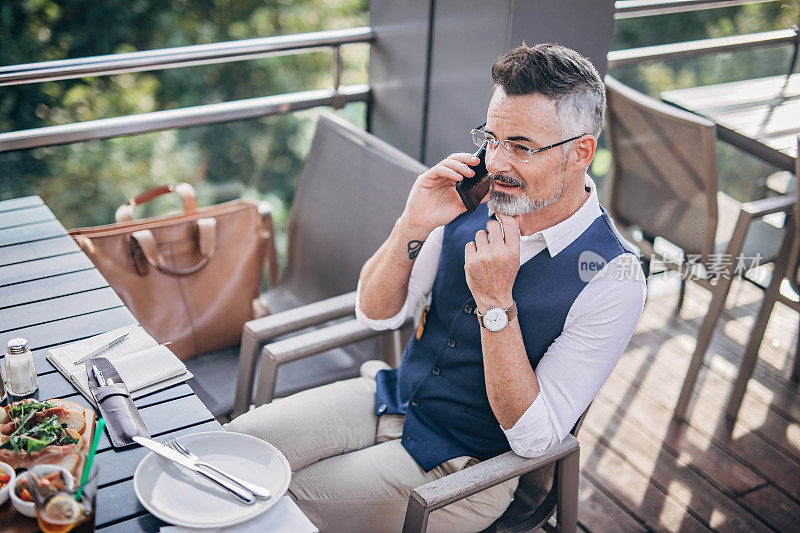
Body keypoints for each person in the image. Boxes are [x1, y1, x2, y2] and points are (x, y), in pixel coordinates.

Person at [226, 42, 646, 532]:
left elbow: (536, 443)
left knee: (272, 503)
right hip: (392, 398)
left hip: (467, 470)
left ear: (581, 153)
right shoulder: (471, 200)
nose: (497, 163)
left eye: (522, 146)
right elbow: (376, 314)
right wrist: (412, 223)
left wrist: (496, 303)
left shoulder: (613, 279)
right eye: (492, 138)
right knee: (236, 450)